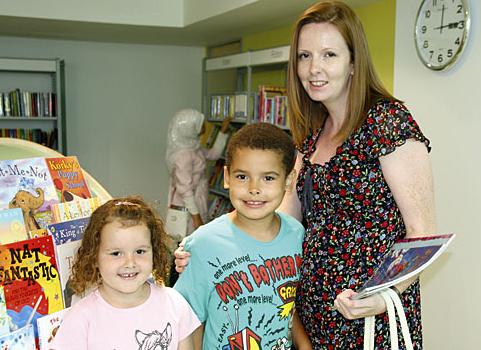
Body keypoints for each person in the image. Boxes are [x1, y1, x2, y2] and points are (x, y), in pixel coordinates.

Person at [176, 1, 436, 348]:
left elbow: (422, 234)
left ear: (354, 62)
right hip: (309, 316)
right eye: (304, 56)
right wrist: (207, 247)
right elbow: (276, 219)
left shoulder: (386, 123)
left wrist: (386, 291)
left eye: (329, 55)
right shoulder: (312, 136)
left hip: (368, 317)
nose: (314, 68)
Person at [173, 123, 307, 350]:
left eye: (268, 178)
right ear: (226, 177)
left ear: (289, 179)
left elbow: (288, 305)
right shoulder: (204, 243)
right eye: (242, 176)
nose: (254, 188)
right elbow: (187, 321)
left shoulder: (296, 234)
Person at [51, 196, 201, 350]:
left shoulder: (175, 304)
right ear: (94, 257)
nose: (130, 263)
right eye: (116, 253)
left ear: (154, 252)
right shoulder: (80, 319)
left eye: (140, 251)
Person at [165, 108, 231, 235]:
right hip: (188, 208)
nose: (204, 126)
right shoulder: (183, 156)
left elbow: (213, 154)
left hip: (197, 200)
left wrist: (222, 132)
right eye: (200, 124)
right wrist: (196, 217)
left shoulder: (192, 146)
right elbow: (185, 190)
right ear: (188, 129)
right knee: (189, 241)